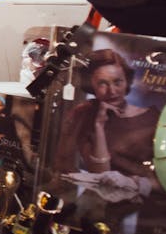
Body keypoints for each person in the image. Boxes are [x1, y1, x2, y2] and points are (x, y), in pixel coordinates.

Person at [54, 49, 158, 199]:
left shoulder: (152, 118)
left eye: (118, 82)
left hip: (142, 207)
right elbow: (100, 175)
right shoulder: (83, 114)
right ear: (92, 86)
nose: (112, 91)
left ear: (127, 81)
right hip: (97, 203)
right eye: (102, 83)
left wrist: (134, 183)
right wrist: (99, 125)